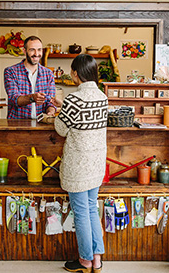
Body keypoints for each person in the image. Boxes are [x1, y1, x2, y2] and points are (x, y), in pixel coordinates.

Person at [53, 54, 108, 273]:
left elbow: (61, 128)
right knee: (91, 209)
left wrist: (61, 107)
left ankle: (85, 260)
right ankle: (97, 259)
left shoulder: (74, 100)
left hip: (78, 165)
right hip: (96, 163)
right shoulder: (102, 97)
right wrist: (64, 105)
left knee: (82, 212)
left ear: (76, 74)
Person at [4, 35, 56, 119]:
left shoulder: (48, 74)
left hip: (40, 124)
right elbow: (14, 99)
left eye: (39, 50)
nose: (36, 54)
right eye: (32, 50)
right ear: (24, 51)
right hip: (17, 125)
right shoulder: (11, 71)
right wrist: (32, 98)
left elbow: (50, 102)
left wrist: (50, 112)